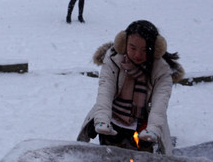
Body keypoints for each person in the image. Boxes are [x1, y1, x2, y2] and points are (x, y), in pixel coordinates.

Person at [77, 20, 184, 154]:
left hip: (143, 127)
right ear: (124, 43)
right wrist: (102, 120)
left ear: (155, 49)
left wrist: (153, 128)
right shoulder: (113, 60)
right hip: (112, 122)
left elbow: (159, 105)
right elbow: (105, 92)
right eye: (133, 48)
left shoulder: (161, 70)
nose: (138, 55)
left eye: (144, 50)